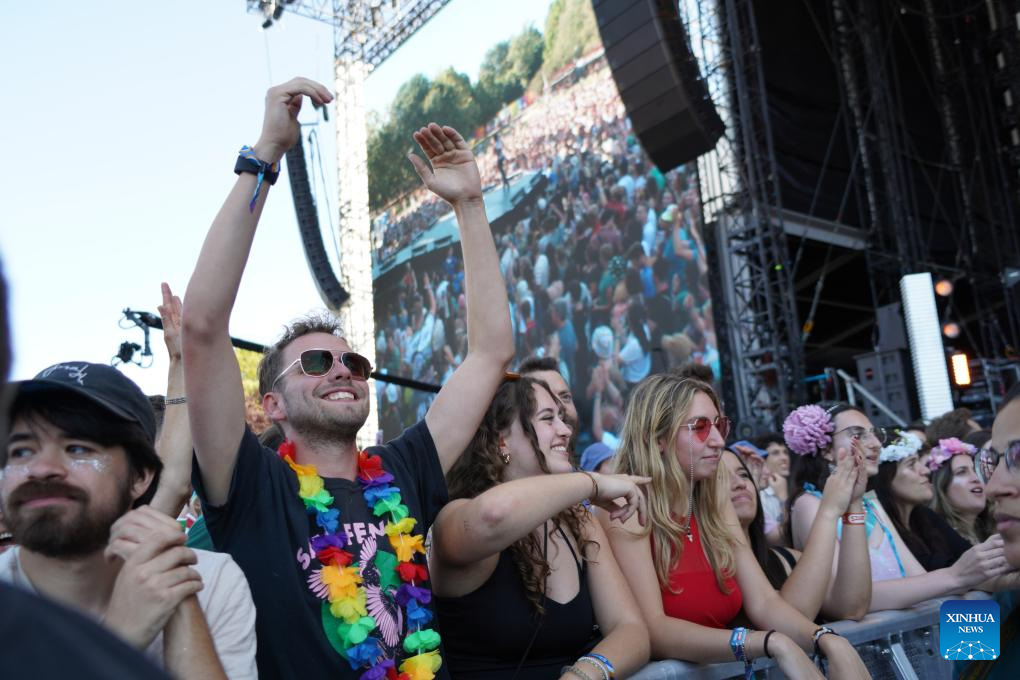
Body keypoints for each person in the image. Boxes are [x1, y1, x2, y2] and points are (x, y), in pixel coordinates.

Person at [182, 78, 514, 679]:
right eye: (315, 362)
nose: (342, 369)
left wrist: (469, 205)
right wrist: (265, 155)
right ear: (273, 404)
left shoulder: (402, 470)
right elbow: (203, 326)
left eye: (352, 363)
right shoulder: (254, 488)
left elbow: (491, 353)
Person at [0, 362, 257, 678]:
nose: (41, 468)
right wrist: (116, 640)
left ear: (139, 477)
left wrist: (179, 597)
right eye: (21, 451)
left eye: (77, 448)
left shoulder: (210, 582)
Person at [605, 374, 869, 677]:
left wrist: (825, 638)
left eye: (720, 426)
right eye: (700, 427)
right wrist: (768, 643)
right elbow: (654, 630)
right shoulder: (625, 507)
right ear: (656, 439)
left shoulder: (712, 505)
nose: (718, 441)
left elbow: (765, 602)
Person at [431, 377, 649, 678]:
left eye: (562, 418)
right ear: (501, 440)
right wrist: (592, 482)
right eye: (548, 419)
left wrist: (583, 674)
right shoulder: (454, 516)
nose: (566, 430)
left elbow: (632, 630)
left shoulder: (578, 521)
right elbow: (494, 514)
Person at [787, 405, 1009, 613]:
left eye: (874, 434)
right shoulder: (809, 505)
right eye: (858, 434)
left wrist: (987, 577)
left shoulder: (871, 504)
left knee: (982, 623)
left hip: (910, 636)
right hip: (862, 640)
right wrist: (956, 576)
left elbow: (916, 577)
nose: (875, 443)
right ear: (826, 449)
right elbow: (847, 603)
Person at [722, 448, 862, 620]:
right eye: (720, 478)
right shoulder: (713, 575)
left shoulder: (790, 559)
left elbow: (851, 608)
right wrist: (828, 511)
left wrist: (854, 504)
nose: (740, 483)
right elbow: (792, 621)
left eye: (744, 475)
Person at [965, 383, 1020, 679]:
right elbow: (961, 667)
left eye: (1019, 456)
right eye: (992, 462)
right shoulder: (987, 607)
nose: (991, 488)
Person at [927, 437, 994, 546]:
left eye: (976, 470)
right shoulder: (938, 541)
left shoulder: (993, 531)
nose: (976, 478)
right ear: (942, 487)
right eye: (962, 472)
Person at [756, 432, 790, 546]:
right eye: (776, 453)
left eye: (785, 452)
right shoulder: (760, 496)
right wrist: (783, 498)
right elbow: (781, 539)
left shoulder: (793, 487)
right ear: (762, 459)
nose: (784, 458)